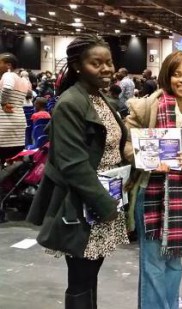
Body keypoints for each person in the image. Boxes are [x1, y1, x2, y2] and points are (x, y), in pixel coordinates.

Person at [26, 34, 128, 309]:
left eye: (108, 62)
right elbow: (73, 164)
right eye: (97, 63)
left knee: (90, 274)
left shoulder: (98, 97)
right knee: (81, 279)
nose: (106, 68)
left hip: (103, 198)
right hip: (83, 204)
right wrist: (106, 205)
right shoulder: (71, 102)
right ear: (78, 66)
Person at [123, 50, 182, 309]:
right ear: (167, 77)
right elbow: (126, 146)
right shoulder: (147, 106)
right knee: (153, 265)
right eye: (177, 74)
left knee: (174, 263)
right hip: (150, 193)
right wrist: (145, 158)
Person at [0, 52, 32, 167]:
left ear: (8, 65)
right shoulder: (23, 80)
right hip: (18, 121)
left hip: (5, 124)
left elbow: (7, 88)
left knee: (3, 159)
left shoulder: (8, 75)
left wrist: (3, 102)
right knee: (13, 162)